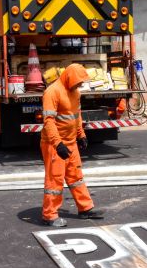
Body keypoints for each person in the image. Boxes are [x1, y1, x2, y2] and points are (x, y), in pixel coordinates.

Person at [40, 63, 105, 227]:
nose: (80, 85)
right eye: (79, 82)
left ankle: (85, 208)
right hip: (54, 144)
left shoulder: (75, 93)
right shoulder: (52, 92)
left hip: (70, 142)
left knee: (76, 177)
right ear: (70, 78)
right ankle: (49, 215)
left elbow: (76, 115)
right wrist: (58, 144)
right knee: (55, 180)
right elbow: (49, 122)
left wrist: (81, 135)